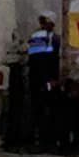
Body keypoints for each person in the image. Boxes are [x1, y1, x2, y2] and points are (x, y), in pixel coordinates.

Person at [24, 13, 61, 146]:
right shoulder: (54, 38)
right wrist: (52, 79)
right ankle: (48, 136)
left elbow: (34, 60)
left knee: (38, 106)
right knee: (49, 105)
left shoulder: (36, 36)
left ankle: (38, 135)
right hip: (46, 79)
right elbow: (48, 61)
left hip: (37, 79)